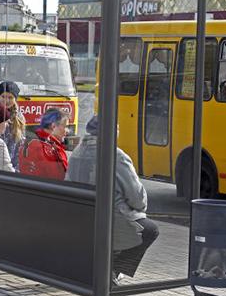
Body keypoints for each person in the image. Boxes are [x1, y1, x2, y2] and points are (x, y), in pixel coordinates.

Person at [66, 116, 159, 282]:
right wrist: (140, 206)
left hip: (81, 218)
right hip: (109, 220)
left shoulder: (76, 153)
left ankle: (109, 270)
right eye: (116, 128)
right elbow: (137, 198)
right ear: (111, 131)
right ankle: (114, 271)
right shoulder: (116, 155)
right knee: (150, 230)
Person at [18, 108, 69, 180]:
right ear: (53, 126)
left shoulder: (46, 144)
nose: (67, 131)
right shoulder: (41, 148)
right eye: (65, 126)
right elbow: (57, 178)